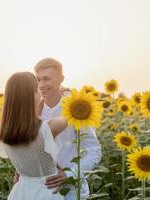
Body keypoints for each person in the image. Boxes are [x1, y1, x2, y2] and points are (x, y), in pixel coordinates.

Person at [0, 72, 68, 200]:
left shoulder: (2, 128)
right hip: (46, 192)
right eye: (37, 87)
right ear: (33, 94)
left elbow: (30, 119)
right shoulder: (49, 128)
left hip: (21, 191)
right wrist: (66, 95)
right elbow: (71, 114)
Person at [35, 58, 102, 199]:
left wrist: (69, 174)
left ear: (61, 79)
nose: (41, 84)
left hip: (72, 191)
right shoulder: (35, 110)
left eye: (46, 79)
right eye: (38, 79)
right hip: (41, 191)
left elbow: (94, 151)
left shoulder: (77, 108)